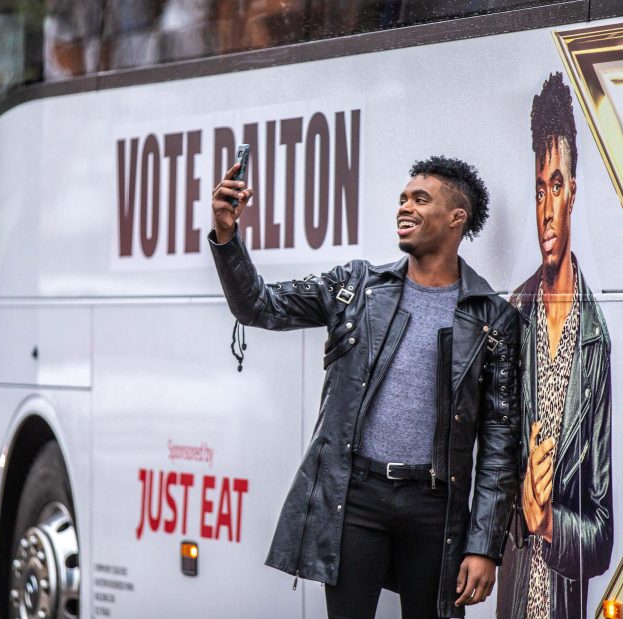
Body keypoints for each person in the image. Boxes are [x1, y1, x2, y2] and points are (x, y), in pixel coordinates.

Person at [209, 155, 521, 618]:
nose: (405, 207)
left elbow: (501, 440)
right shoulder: (355, 286)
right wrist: (228, 237)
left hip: (435, 507)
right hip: (355, 500)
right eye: (402, 198)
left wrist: (484, 545)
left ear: (457, 217)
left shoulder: (492, 317)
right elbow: (260, 307)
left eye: (420, 199)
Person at [496, 72, 613, 619]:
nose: (546, 206)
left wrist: (547, 521)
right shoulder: (512, 315)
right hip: (513, 599)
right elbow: (487, 464)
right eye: (538, 187)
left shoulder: (595, 340)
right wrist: (519, 508)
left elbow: (603, 533)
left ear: (574, 192)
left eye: (557, 184)